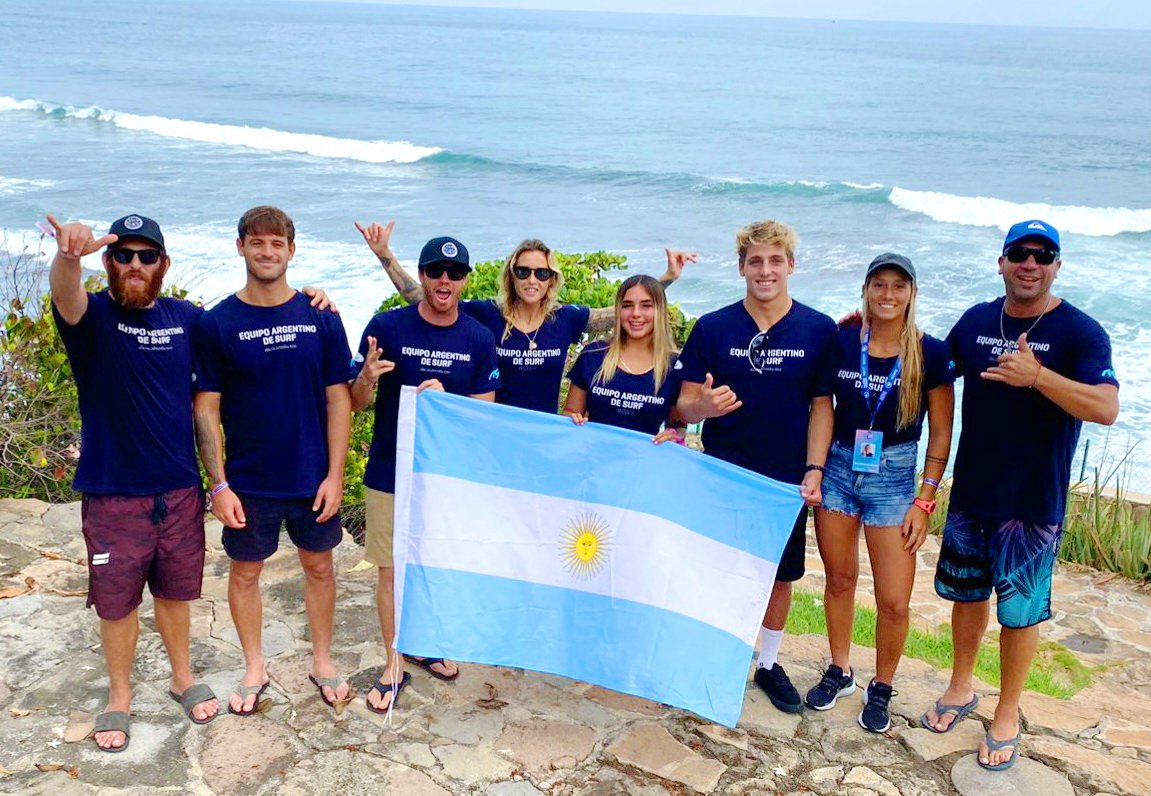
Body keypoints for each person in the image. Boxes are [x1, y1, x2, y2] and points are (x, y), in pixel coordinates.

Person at [921, 220, 1119, 771]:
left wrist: (1039, 377)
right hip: (973, 492)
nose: (1030, 263)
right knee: (965, 597)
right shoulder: (979, 320)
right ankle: (961, 688)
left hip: (1031, 503)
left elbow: (1105, 408)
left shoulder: (1080, 332)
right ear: (1002, 262)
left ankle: (1007, 711)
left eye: (1043, 255)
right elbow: (933, 368)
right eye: (1019, 254)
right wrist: (866, 333)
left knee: (1020, 613)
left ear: (1057, 265)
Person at [47, 213, 219, 750]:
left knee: (174, 593)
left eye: (148, 256)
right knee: (117, 603)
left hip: (178, 489)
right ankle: (119, 696)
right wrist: (68, 256)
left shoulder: (187, 319)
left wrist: (312, 300)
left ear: (164, 265)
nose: (136, 265)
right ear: (109, 263)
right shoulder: (92, 316)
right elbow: (66, 293)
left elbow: (241, 336)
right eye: (124, 255)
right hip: (113, 492)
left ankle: (181, 678)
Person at [192, 206, 354, 716]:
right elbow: (206, 407)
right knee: (244, 573)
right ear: (239, 247)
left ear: (292, 249)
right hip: (249, 479)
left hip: (311, 476)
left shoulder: (320, 315)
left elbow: (338, 398)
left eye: (277, 243)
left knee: (321, 567)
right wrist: (218, 485)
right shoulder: (217, 323)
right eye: (257, 243)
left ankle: (323, 660)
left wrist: (335, 474)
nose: (267, 252)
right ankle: (254, 666)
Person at [676, 220, 837, 714]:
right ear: (742, 267)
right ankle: (712, 656)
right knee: (717, 568)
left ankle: (767, 664)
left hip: (784, 479)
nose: (765, 271)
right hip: (724, 473)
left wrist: (814, 469)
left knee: (780, 576)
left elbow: (822, 406)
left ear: (791, 265)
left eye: (774, 260)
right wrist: (705, 407)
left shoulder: (818, 329)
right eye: (755, 261)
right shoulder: (713, 327)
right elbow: (682, 408)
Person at [805, 253, 954, 733]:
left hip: (895, 476)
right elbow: (822, 406)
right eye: (879, 285)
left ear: (912, 294)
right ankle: (840, 669)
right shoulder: (842, 341)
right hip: (840, 470)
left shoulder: (930, 352)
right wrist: (818, 467)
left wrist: (925, 499)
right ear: (866, 290)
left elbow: (941, 434)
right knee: (839, 578)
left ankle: (883, 684)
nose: (887, 295)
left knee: (893, 599)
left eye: (898, 286)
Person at [352, 234, 500, 713]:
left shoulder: (478, 337)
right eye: (436, 271)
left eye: (454, 274)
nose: (444, 281)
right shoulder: (387, 326)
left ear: (464, 281)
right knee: (391, 571)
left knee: (432, 567)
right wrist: (367, 380)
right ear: (421, 275)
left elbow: (483, 416)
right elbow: (355, 403)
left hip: (445, 479)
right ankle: (393, 663)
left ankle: (424, 642)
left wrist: (445, 403)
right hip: (390, 469)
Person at [356, 220, 695, 413]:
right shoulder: (486, 314)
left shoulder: (566, 319)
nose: (532, 279)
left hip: (539, 434)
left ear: (551, 280)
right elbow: (426, 295)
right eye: (523, 271)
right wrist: (385, 256)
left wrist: (664, 280)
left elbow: (619, 313)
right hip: (491, 430)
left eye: (541, 273)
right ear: (512, 275)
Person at [563, 274, 686, 442]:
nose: (636, 313)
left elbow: (677, 427)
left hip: (643, 462)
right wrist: (574, 420)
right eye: (627, 305)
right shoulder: (593, 355)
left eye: (646, 306)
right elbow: (570, 413)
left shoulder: (674, 366)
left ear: (660, 310)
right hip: (592, 458)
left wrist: (675, 437)